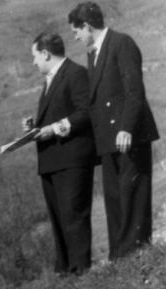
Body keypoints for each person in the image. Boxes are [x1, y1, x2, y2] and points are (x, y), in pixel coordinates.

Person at [69, 2, 159, 260]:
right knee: (114, 200)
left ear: (87, 26)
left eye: (76, 31)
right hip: (108, 140)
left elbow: (134, 92)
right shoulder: (93, 53)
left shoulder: (122, 43)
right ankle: (120, 257)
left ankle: (136, 255)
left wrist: (126, 128)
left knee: (133, 198)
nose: (76, 37)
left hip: (128, 136)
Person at [23, 32, 95, 275]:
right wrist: (34, 128)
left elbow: (85, 113)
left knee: (74, 216)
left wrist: (52, 129)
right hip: (52, 161)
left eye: (35, 56)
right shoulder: (51, 80)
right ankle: (67, 272)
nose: (34, 62)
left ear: (45, 53)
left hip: (72, 160)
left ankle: (81, 271)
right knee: (60, 219)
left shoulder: (75, 74)